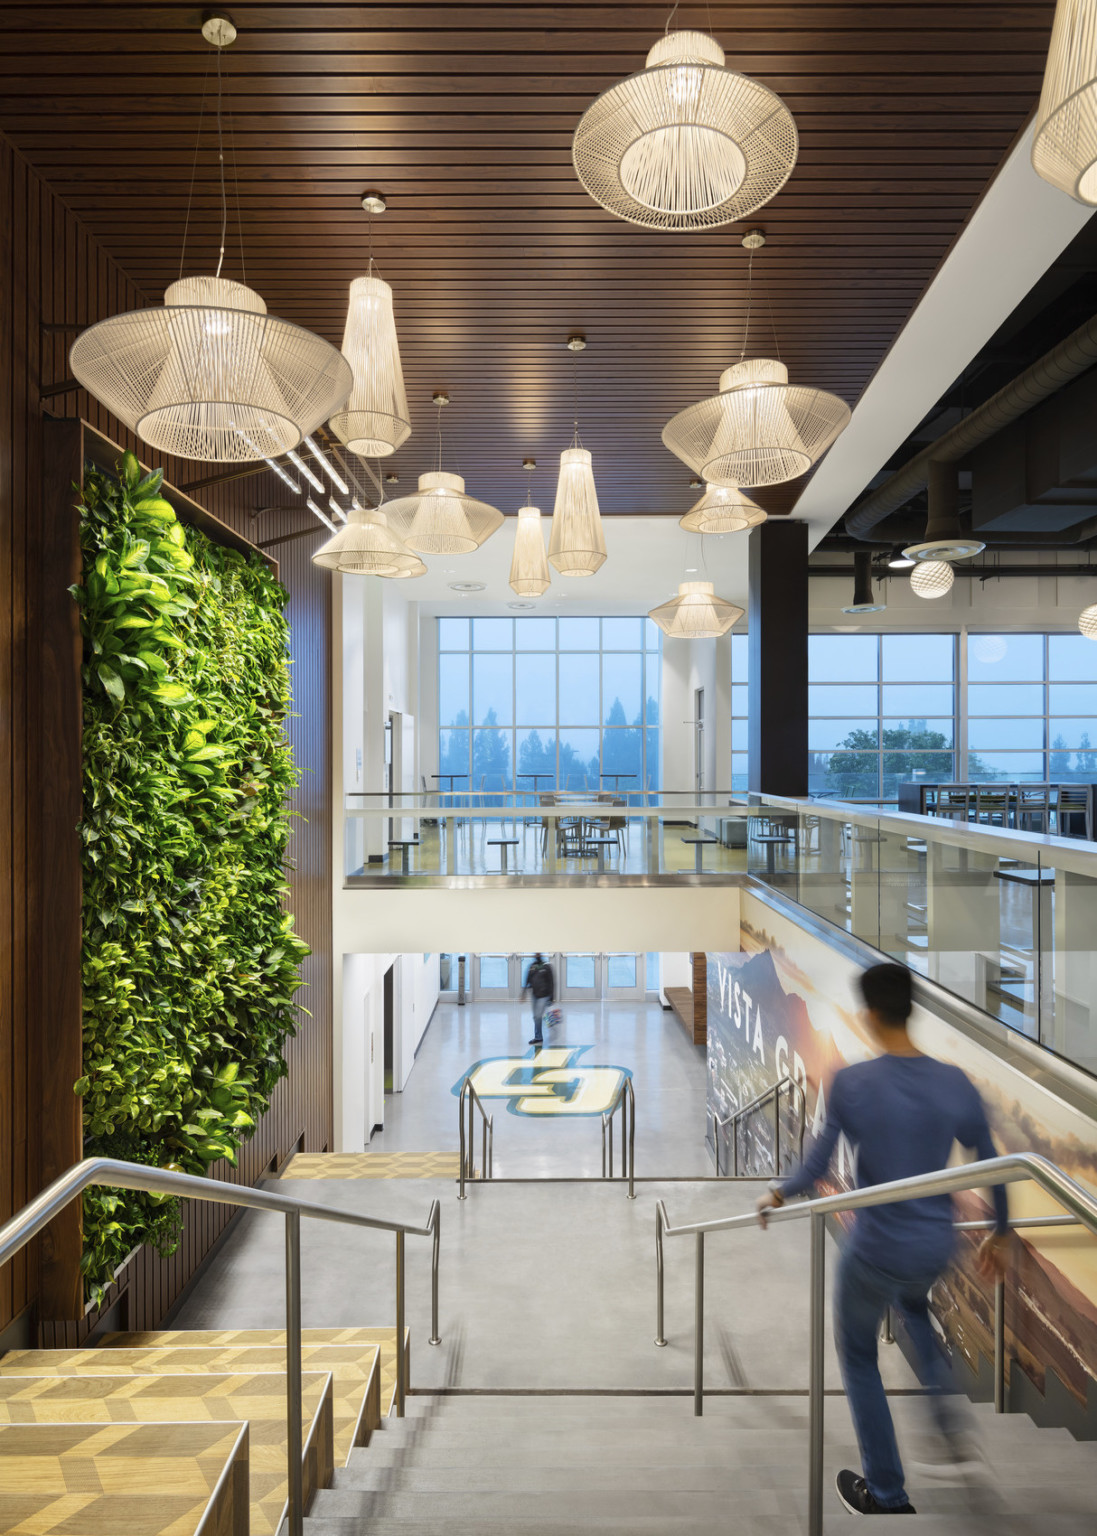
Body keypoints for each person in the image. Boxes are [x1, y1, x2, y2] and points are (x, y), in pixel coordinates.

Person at [756, 962, 1009, 1517]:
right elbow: (992, 1160)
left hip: (874, 1251)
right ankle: (949, 1424)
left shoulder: (853, 1083)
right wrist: (1002, 1231)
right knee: (916, 1310)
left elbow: (817, 1165)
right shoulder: (954, 1082)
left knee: (857, 1354)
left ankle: (887, 1490)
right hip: (934, 1247)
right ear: (910, 1010)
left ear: (869, 1016)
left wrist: (777, 1193)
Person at [521, 953, 556, 1047]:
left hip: (544, 995)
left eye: (538, 954)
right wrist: (523, 993)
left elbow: (552, 982)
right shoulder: (532, 966)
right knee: (536, 1016)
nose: (536, 955)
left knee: (537, 1016)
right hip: (534, 995)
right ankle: (539, 1035)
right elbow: (527, 979)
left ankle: (538, 1037)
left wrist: (552, 997)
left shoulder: (547, 967)